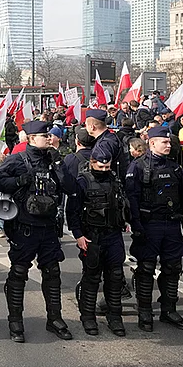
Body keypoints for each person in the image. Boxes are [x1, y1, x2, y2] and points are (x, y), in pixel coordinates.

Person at [0, 121, 74, 343]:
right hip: (24, 228)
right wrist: (19, 181)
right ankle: (15, 322)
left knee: (52, 273)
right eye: (43, 135)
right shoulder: (18, 160)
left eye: (48, 135)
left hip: (48, 227)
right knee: (19, 273)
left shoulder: (53, 159)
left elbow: (70, 187)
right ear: (30, 139)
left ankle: (55, 318)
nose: (48, 138)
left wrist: (59, 163)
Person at [126, 125, 183, 332]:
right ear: (152, 143)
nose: (169, 145)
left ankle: (169, 309)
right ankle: (145, 312)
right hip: (150, 226)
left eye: (169, 142)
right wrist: (137, 226)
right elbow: (132, 199)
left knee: (172, 267)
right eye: (164, 142)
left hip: (172, 224)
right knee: (146, 268)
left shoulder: (175, 168)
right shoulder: (138, 167)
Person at [68, 143, 129, 337]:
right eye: (100, 166)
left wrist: (124, 220)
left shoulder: (114, 179)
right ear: (92, 162)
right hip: (91, 236)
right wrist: (78, 235)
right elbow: (73, 211)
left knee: (115, 276)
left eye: (107, 167)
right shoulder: (83, 181)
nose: (104, 170)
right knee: (92, 277)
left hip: (113, 235)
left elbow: (121, 203)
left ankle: (115, 316)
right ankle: (88, 317)